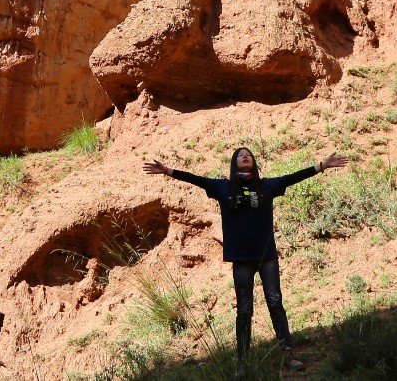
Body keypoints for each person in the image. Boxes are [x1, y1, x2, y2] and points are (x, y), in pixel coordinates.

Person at [143, 146, 351, 368]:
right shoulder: (223, 187)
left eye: (249, 155)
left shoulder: (266, 186)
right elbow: (197, 179)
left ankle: (289, 354)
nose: (245, 157)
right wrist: (168, 171)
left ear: (253, 163)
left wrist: (321, 166)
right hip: (241, 258)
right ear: (234, 163)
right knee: (244, 309)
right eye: (240, 155)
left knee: (275, 302)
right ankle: (243, 361)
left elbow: (293, 177)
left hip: (266, 256)